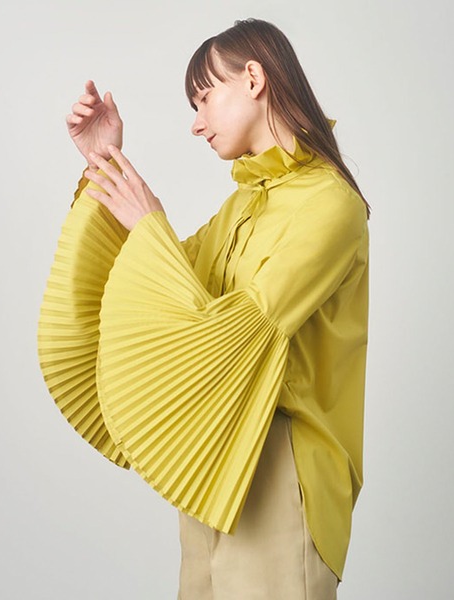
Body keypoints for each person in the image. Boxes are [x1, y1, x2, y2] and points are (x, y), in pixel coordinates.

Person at [37, 17, 370, 599]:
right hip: (213, 454)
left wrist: (150, 223)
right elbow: (155, 288)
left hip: (282, 469)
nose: (196, 122)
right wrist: (104, 162)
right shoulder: (243, 204)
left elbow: (243, 328)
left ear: (253, 78)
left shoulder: (330, 203)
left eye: (204, 98)